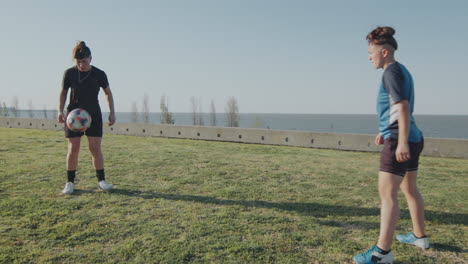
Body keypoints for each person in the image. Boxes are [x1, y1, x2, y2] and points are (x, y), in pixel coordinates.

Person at [353, 27, 429, 264]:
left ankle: (381, 253)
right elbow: (395, 109)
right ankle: (420, 237)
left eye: (370, 52)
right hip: (410, 136)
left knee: (388, 196)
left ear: (384, 52)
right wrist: (384, 130)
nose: (369, 57)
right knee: (409, 189)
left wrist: (400, 141)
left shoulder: (390, 73)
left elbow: (403, 106)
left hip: (401, 140)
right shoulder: (401, 70)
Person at [58, 41, 116, 195]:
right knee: (73, 148)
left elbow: (108, 93)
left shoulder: (99, 74)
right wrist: (60, 111)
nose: (81, 65)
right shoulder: (69, 73)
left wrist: (112, 112)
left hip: (93, 115)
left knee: (95, 148)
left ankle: (101, 181)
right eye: (78, 62)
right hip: (73, 117)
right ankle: (70, 182)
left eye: (84, 61)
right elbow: (63, 92)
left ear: (90, 58)